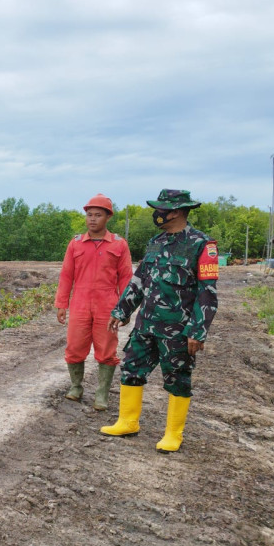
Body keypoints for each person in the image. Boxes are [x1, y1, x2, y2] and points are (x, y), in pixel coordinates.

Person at [101, 189, 218, 453]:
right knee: (131, 368)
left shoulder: (202, 244)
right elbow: (140, 280)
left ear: (175, 212)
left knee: (177, 378)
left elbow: (207, 292)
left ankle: (173, 434)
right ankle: (127, 421)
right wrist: (122, 311)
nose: (157, 213)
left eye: (161, 209)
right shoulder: (156, 242)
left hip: (177, 329)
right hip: (146, 325)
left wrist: (198, 331)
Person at [55, 194, 133, 410]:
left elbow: (126, 278)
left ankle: (102, 394)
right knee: (74, 346)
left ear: (108, 217)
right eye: (89, 215)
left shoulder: (119, 245)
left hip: (107, 304)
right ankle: (76, 387)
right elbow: (66, 275)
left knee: (107, 349)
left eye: (98, 215)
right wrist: (62, 304)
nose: (92, 219)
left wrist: (124, 309)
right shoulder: (76, 244)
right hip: (80, 302)